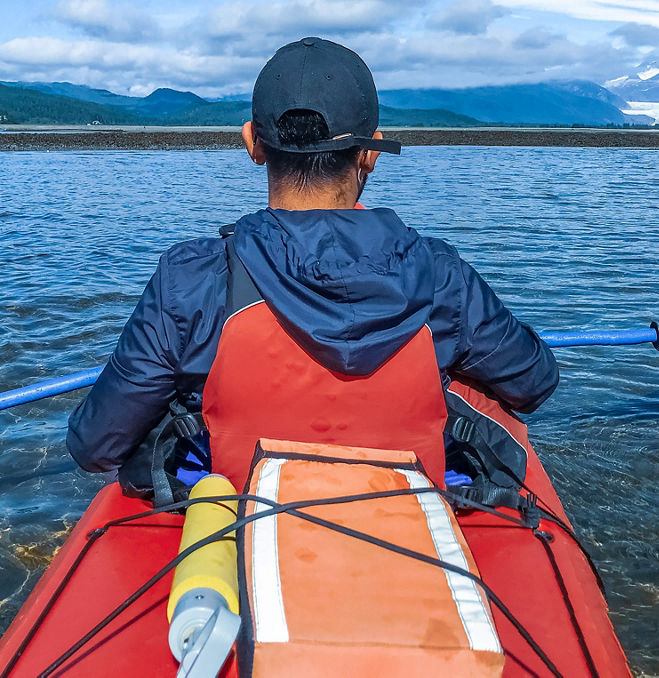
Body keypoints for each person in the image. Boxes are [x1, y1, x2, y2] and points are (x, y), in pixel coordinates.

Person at [66, 37, 557, 490]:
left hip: (244, 527)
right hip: (408, 531)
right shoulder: (441, 275)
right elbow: (535, 381)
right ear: (370, 153)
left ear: (253, 144)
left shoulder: (190, 278)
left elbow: (95, 446)